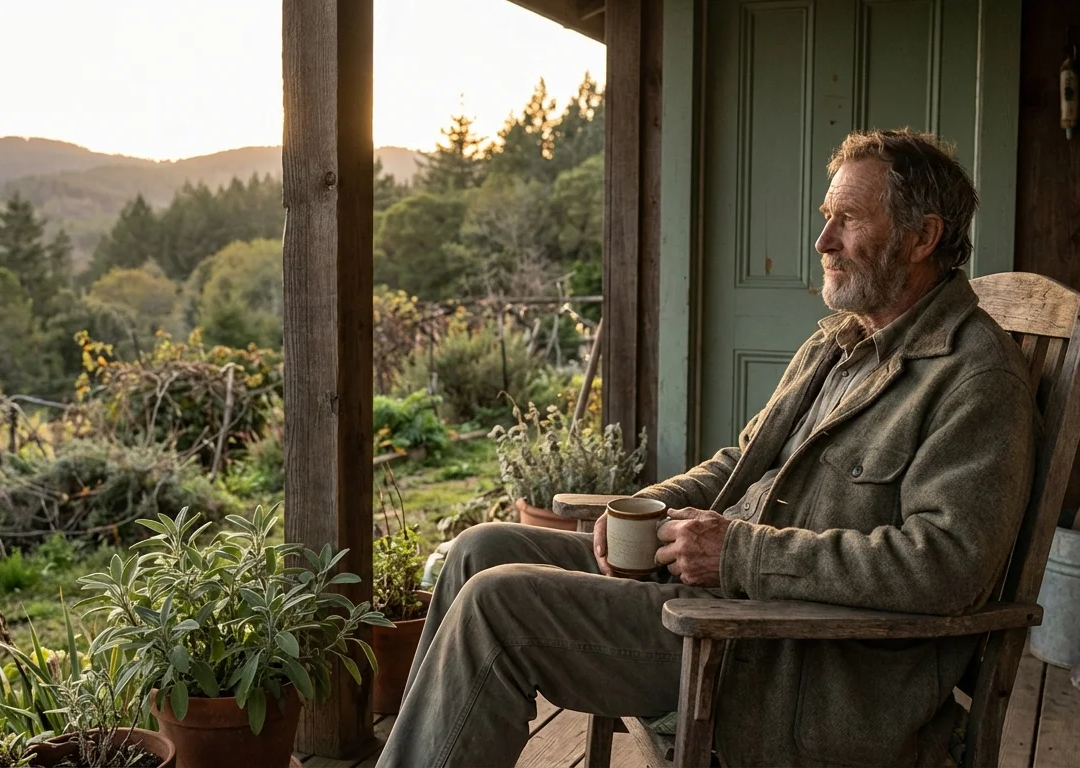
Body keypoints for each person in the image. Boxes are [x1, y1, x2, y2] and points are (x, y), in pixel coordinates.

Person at [378, 129, 1038, 768]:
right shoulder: (838, 345)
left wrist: (738, 552)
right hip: (718, 603)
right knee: (479, 549)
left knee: (499, 606)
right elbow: (741, 462)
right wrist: (643, 507)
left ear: (922, 237)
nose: (823, 240)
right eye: (826, 217)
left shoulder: (975, 376)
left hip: (782, 657)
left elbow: (948, 566)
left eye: (849, 220)